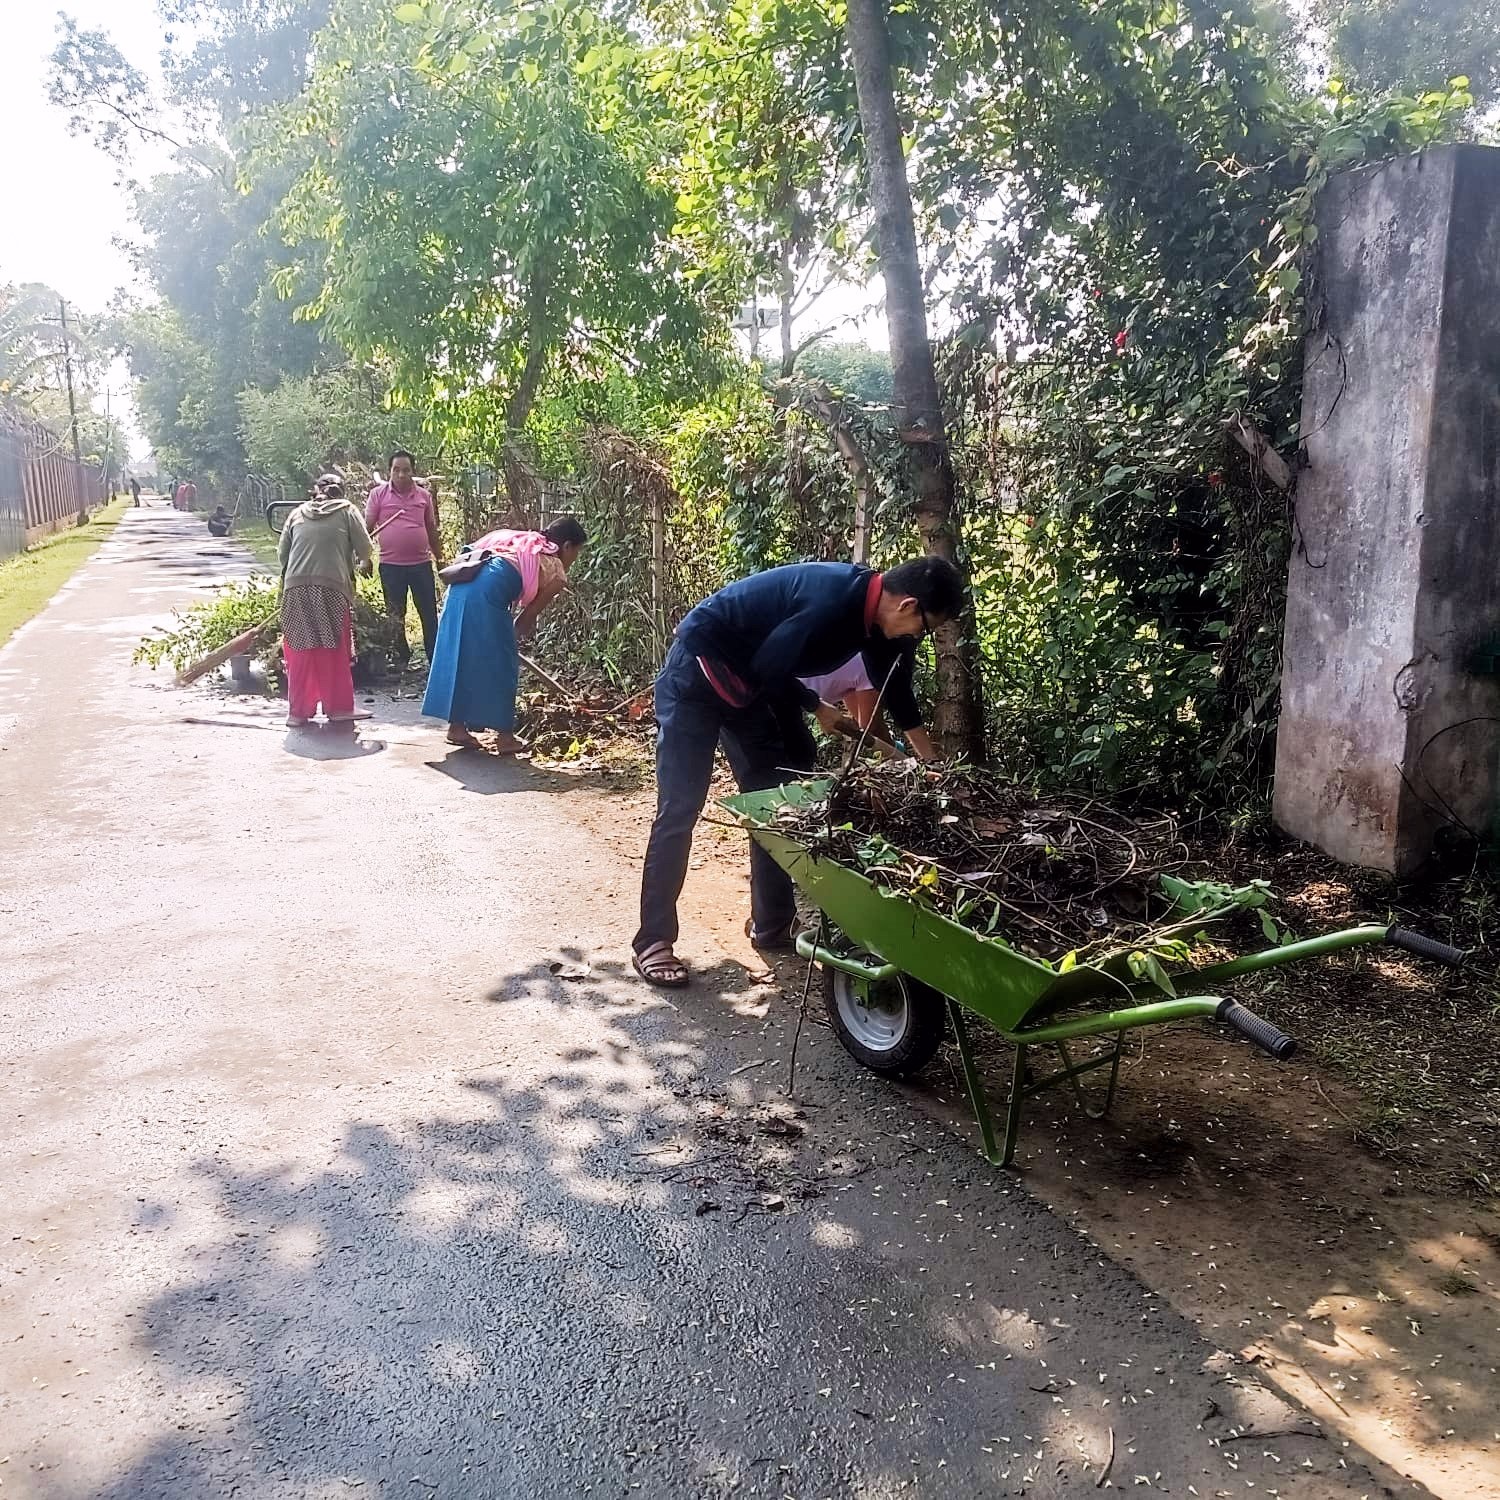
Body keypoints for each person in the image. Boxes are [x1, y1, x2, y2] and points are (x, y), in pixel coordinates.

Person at [632, 555, 966, 988]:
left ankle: (772, 923)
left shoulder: (884, 625)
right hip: (699, 670)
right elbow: (770, 669)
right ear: (907, 606)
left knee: (776, 795)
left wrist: (928, 761)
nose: (919, 635)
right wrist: (815, 707)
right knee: (680, 805)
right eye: (924, 626)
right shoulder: (830, 602)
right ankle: (653, 940)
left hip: (752, 685)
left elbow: (896, 689)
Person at [422, 517, 588, 753]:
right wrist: (509, 643)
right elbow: (526, 618)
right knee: (503, 664)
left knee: (462, 655)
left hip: (458, 590)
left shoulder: (515, 539)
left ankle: (457, 728)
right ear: (568, 546)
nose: (574, 559)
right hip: (485, 596)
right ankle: (505, 737)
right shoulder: (556, 570)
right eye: (577, 553)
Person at [277, 475, 374, 730]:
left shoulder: (297, 513)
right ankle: (339, 708)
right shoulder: (347, 510)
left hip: (295, 588)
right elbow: (366, 549)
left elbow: (281, 555)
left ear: (315, 491)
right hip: (331, 587)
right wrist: (362, 562)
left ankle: (298, 712)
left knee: (299, 650)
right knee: (332, 648)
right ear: (341, 492)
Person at [365, 451, 441, 670]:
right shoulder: (378, 495)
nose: (401, 474)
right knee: (395, 614)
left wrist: (441, 559)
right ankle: (401, 657)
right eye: (396, 470)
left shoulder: (423, 496)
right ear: (390, 471)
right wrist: (365, 559)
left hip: (421, 564)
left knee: (428, 612)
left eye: (406, 470)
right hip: (391, 566)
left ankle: (434, 658)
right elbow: (366, 530)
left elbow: (431, 529)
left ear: (413, 471)